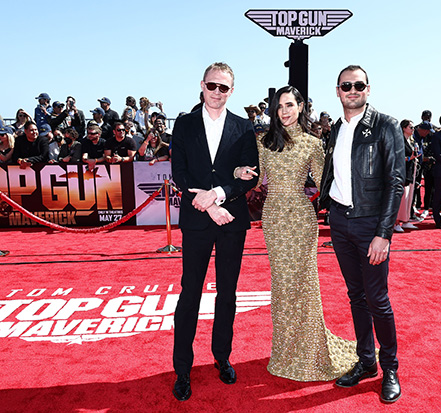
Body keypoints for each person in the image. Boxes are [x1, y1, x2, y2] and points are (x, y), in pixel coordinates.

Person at [236, 85, 358, 381]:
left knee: (305, 284)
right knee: (282, 285)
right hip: (275, 218)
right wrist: (238, 171)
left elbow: (324, 182)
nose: (285, 111)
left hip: (302, 220)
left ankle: (311, 352)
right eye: (280, 107)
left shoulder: (312, 144)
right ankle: (285, 352)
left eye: (290, 105)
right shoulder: (264, 142)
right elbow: (253, 180)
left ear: (301, 107)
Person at [170, 62, 259, 402]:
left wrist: (220, 195)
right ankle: (183, 368)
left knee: (228, 293)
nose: (217, 93)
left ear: (232, 91)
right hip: (197, 221)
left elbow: (249, 173)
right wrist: (208, 205)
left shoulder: (243, 127)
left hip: (231, 222)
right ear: (202, 85)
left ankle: (222, 357)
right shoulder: (184, 123)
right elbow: (180, 172)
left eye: (224, 88)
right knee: (189, 292)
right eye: (212, 86)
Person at [319, 65, 404, 404]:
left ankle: (390, 368)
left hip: (371, 225)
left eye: (358, 85)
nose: (352, 90)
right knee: (356, 295)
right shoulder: (336, 129)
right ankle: (366, 361)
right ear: (338, 91)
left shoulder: (387, 126)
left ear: (368, 89)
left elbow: (395, 182)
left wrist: (384, 233)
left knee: (377, 299)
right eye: (345, 85)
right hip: (340, 223)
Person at [395, 119, 419, 232]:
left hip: (411, 171)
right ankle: (396, 222)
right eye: (411, 127)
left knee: (409, 197)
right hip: (401, 172)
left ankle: (405, 220)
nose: (413, 129)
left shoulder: (412, 141)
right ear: (404, 128)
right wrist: (409, 158)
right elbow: (396, 157)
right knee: (401, 198)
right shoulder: (399, 141)